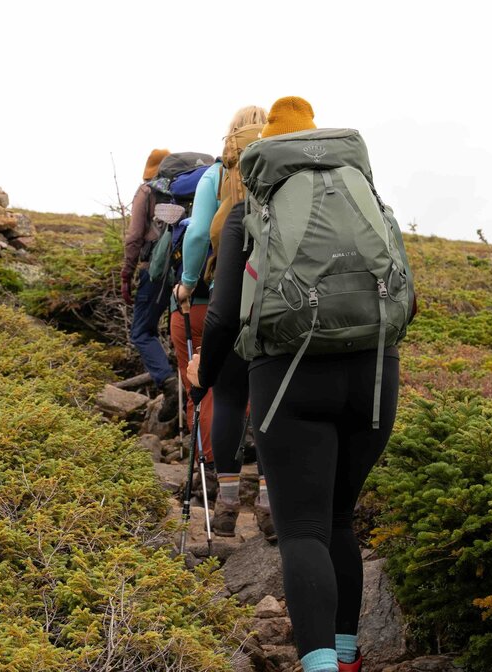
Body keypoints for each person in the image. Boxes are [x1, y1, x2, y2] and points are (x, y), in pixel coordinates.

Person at [188, 97, 408, 672]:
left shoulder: (250, 210)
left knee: (304, 530)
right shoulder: (365, 198)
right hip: (375, 372)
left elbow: (224, 315)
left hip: (289, 376)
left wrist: (201, 377)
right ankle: (347, 658)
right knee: (339, 521)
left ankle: (317, 667)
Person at [174, 105, 273, 540]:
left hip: (228, 295)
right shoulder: (282, 169)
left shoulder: (217, 173)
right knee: (269, 401)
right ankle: (270, 504)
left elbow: (197, 234)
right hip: (278, 300)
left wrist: (188, 282)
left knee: (229, 394)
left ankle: (228, 502)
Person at [121, 148, 176, 393]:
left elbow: (134, 237)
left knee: (142, 331)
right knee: (179, 328)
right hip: (187, 269)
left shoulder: (147, 191)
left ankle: (168, 382)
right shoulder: (185, 189)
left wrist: (126, 274)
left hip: (155, 270)